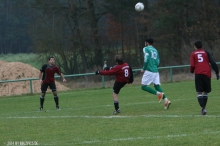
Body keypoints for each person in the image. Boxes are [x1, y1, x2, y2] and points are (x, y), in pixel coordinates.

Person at [190, 40, 219, 115]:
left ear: (195, 46)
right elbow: (212, 62)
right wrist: (217, 72)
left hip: (198, 74)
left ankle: (203, 108)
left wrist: (192, 71)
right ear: (202, 46)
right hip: (207, 73)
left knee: (199, 92)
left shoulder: (193, 54)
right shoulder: (206, 52)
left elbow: (192, 65)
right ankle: (203, 109)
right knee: (205, 92)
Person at [141, 38, 171, 109]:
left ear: (147, 42)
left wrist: (144, 68)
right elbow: (158, 61)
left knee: (143, 86)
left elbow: (146, 58)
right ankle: (166, 100)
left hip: (149, 70)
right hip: (155, 70)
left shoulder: (146, 48)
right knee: (157, 86)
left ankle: (159, 94)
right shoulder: (155, 50)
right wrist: (155, 67)